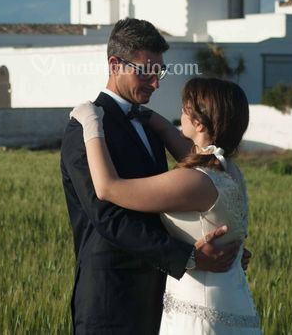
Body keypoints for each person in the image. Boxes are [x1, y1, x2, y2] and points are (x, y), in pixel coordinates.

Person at [60, 18, 249, 334]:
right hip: (112, 297)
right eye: (145, 72)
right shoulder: (86, 128)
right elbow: (107, 217)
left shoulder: (150, 125)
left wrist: (226, 246)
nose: (155, 82)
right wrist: (190, 256)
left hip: (163, 296)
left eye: (158, 72)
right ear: (115, 64)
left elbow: (186, 196)